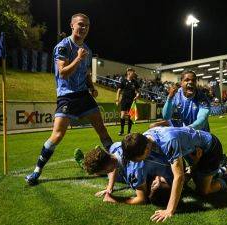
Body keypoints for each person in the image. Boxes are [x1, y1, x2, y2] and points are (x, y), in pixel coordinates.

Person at [25, 13, 113, 185]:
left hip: (83, 95)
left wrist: (92, 87)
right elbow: (63, 73)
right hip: (66, 96)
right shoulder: (63, 47)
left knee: (102, 130)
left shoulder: (87, 49)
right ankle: (36, 172)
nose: (84, 28)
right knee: (57, 135)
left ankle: (116, 164)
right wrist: (78, 58)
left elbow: (86, 72)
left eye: (87, 25)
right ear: (72, 25)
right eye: (80, 24)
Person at [121, 126, 227, 222]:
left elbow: (179, 177)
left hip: (209, 150)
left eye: (139, 158)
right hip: (193, 151)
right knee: (196, 176)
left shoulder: (168, 142)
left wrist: (169, 210)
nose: (138, 162)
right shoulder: (144, 138)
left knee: (203, 191)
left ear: (147, 149)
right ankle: (225, 168)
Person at [79, 144, 174, 205]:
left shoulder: (134, 172)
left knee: (153, 191)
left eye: (104, 172)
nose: (107, 173)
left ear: (106, 168)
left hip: (170, 175)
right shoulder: (116, 147)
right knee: (121, 173)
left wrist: (115, 199)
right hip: (169, 158)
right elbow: (113, 165)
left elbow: (141, 199)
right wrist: (109, 187)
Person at [116, 68, 140, 135]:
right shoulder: (123, 81)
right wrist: (117, 100)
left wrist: (137, 96)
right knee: (122, 115)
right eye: (133, 72)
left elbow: (138, 92)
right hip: (124, 101)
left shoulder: (135, 82)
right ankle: (122, 130)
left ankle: (129, 131)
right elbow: (118, 91)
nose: (134, 73)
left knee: (130, 117)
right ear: (128, 72)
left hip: (132, 101)